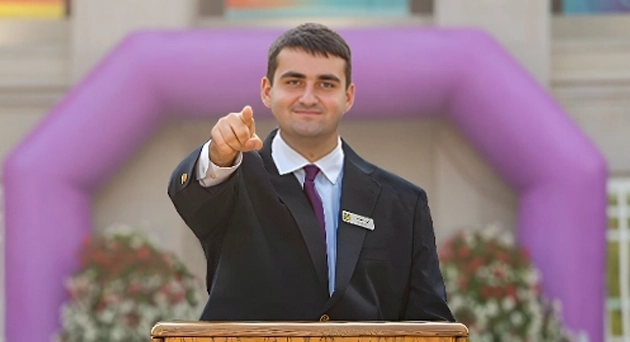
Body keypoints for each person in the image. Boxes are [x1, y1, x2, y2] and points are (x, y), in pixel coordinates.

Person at [168, 23, 454, 322]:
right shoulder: (232, 179)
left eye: (326, 84)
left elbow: (430, 324)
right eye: (294, 82)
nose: (308, 97)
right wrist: (218, 153)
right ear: (267, 90)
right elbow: (191, 193)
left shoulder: (404, 204)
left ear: (349, 96)